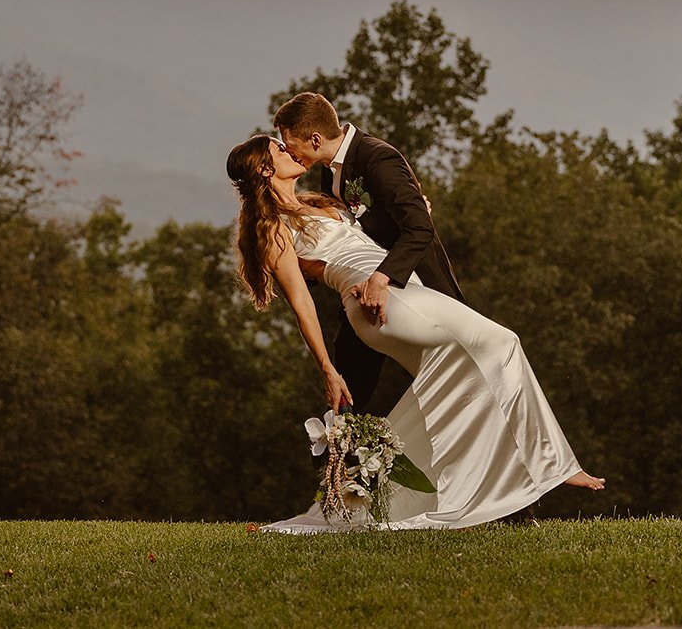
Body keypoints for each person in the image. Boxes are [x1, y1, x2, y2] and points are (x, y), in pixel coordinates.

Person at [226, 132, 604, 532]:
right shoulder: (271, 228)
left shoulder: (315, 202)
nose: (290, 151)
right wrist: (328, 370)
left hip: (400, 285)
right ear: (265, 170)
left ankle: (489, 495)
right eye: (279, 150)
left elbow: (379, 237)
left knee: (467, 380)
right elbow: (302, 302)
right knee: (503, 342)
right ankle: (552, 464)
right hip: (380, 301)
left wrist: (416, 211)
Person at [272, 92, 461, 415]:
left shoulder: (377, 158)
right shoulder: (329, 172)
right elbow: (348, 231)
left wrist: (382, 276)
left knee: (456, 379)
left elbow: (418, 228)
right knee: (350, 383)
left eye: (290, 144)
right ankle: (341, 454)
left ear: (315, 139)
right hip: (362, 288)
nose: (290, 152)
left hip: (412, 280)